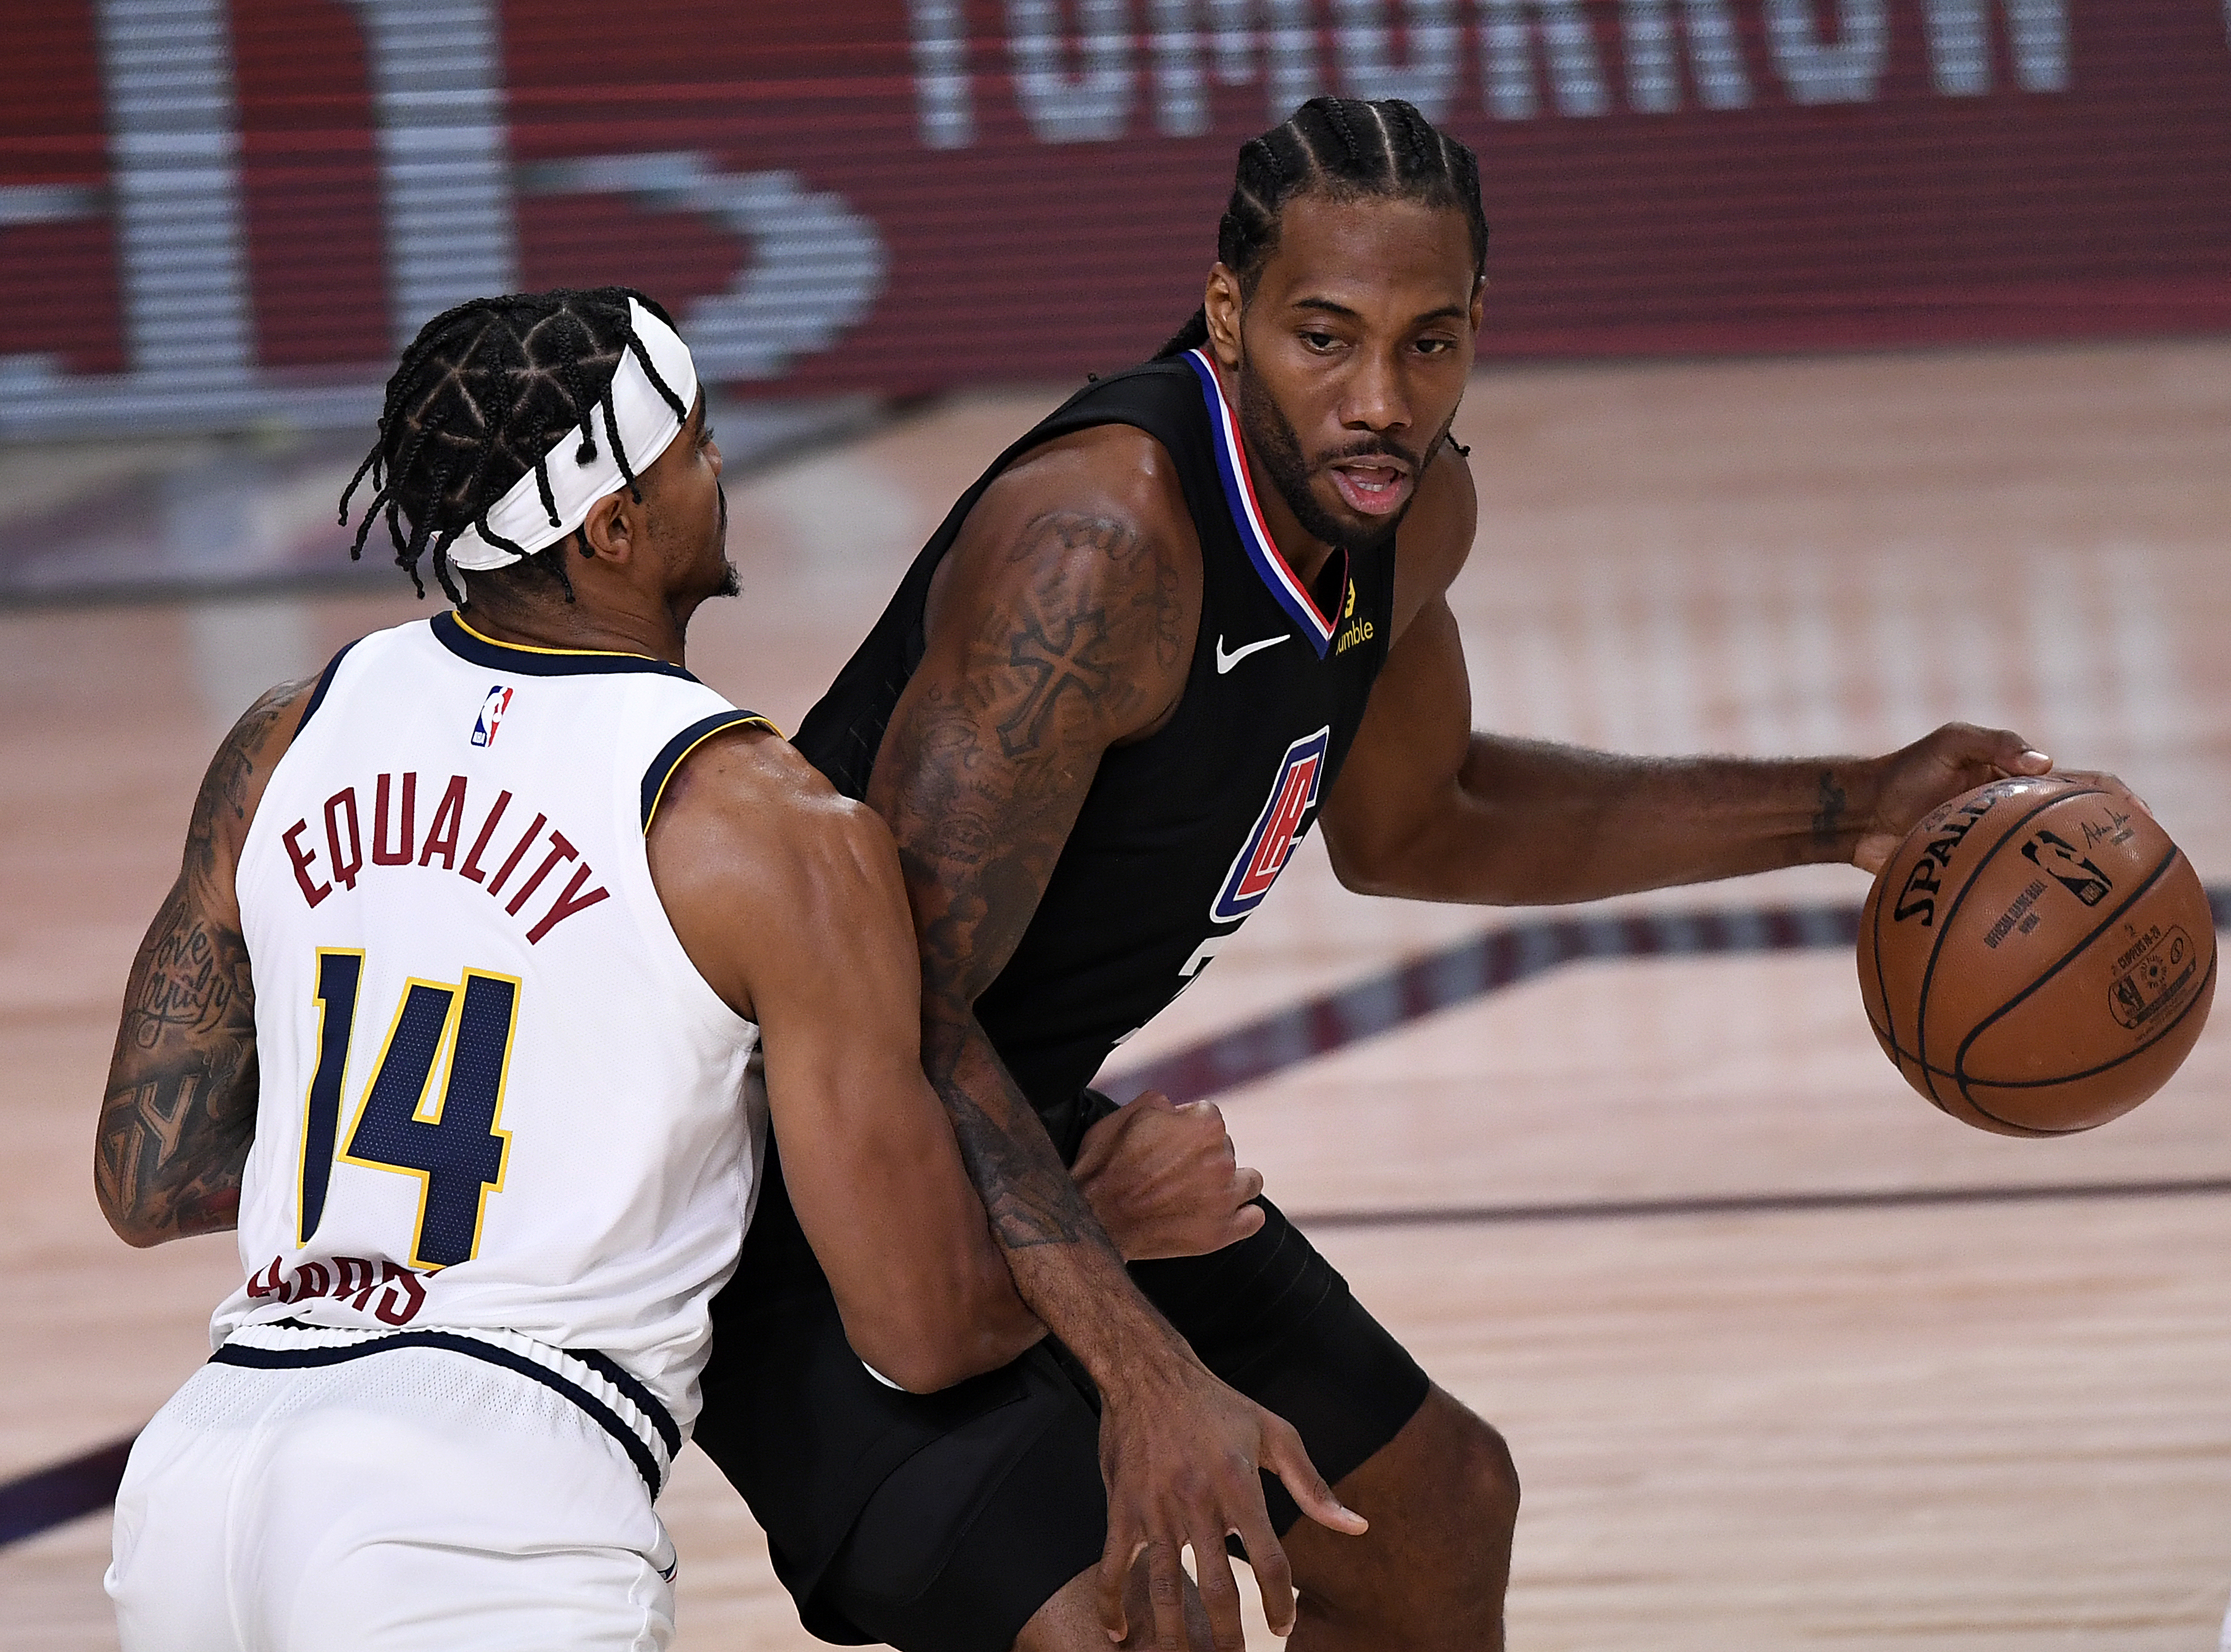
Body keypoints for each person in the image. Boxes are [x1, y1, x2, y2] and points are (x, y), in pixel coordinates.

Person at [690, 98, 2074, 1652]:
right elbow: (903, 1009)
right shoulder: (1099, 553)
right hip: (803, 1194)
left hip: (1023, 1131)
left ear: (1482, 324)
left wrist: (1847, 808)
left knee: (1435, 1517)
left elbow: (1432, 817)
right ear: (1229, 316)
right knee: (1145, 1620)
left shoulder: (1408, 523)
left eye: (1428, 344)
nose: (1379, 402)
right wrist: (1145, 1372)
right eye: (1325, 338)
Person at [93, 286, 1058, 1650]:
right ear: (613, 525)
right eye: (698, 446)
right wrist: (1105, 1231)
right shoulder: (766, 824)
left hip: (204, 1478)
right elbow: (920, 1330)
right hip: (489, 1507)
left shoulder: (285, 734)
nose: (722, 471)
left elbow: (147, 1178)